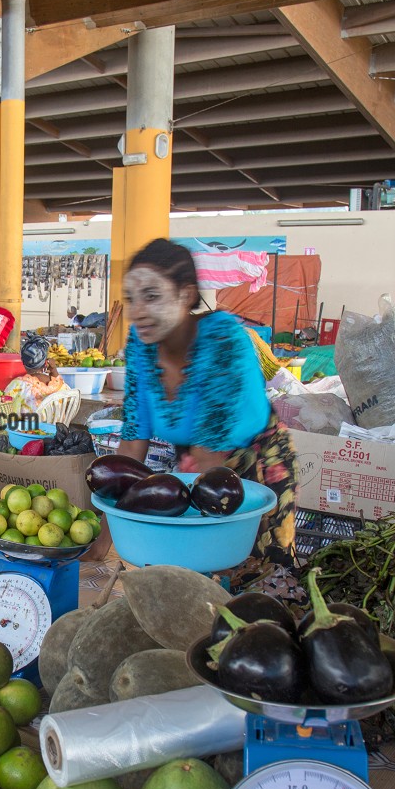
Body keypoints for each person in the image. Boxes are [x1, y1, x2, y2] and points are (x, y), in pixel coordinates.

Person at [116, 239, 296, 579]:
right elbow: (131, 445)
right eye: (131, 299)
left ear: (186, 295)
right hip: (194, 468)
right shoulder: (141, 345)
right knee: (189, 578)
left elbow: (210, 457)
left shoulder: (222, 339)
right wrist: (106, 534)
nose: (137, 311)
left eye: (151, 296)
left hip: (254, 468)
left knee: (255, 580)